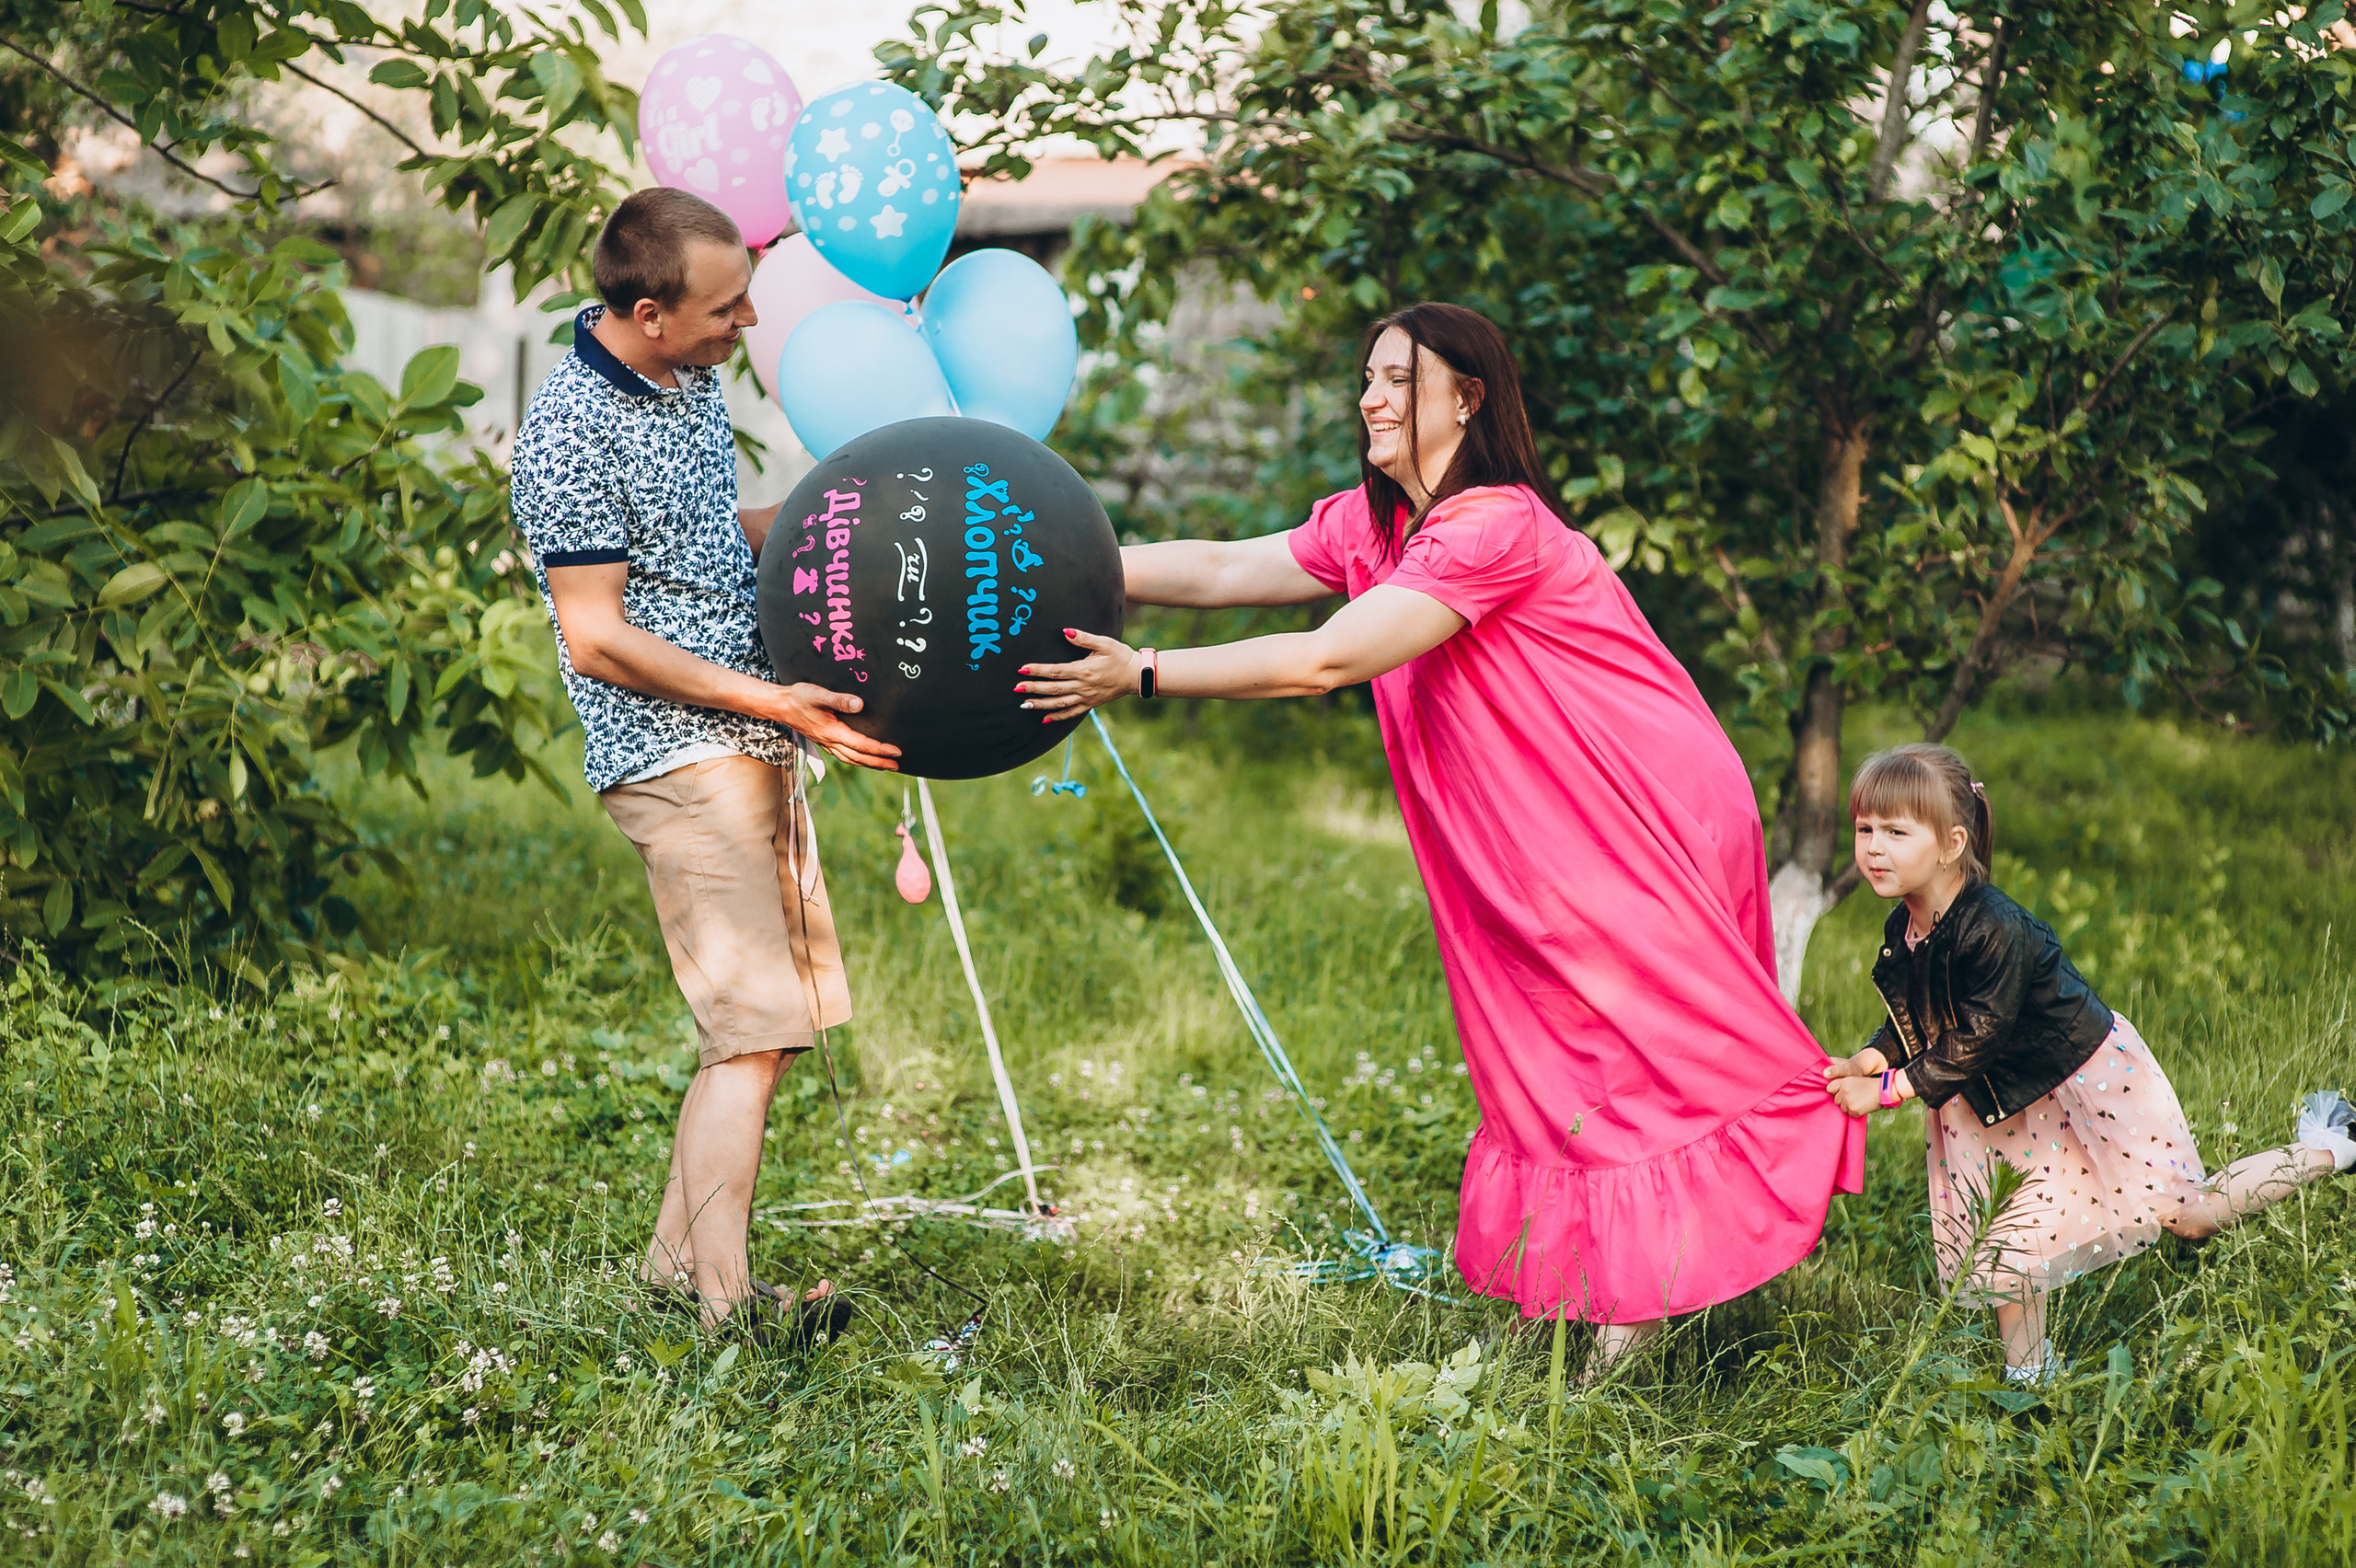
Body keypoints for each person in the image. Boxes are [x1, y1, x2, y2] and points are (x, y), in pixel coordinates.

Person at [1017, 301, 1865, 1365]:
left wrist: (1138, 673)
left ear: (1467, 398)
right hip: (1529, 819)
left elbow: (1330, 658)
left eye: (1397, 381)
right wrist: (1059, 557)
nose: (1371, 399)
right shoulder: (1377, 525)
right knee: (1550, 1033)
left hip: (1632, 803)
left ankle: (1654, 1294)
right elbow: (1229, 570)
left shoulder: (1491, 524)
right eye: (1366, 380)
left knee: (1630, 1033)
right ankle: (1634, 1274)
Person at [509, 187, 900, 1341]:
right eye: (725, 310)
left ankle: (676, 1271)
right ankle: (726, 1317)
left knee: (767, 1034)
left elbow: (705, 536)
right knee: (750, 1033)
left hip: (752, 737)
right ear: (647, 311)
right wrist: (775, 700)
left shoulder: (685, 381)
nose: (745, 325)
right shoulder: (572, 428)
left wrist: (847, 509)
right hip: (676, 755)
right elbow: (598, 633)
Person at [1825, 743, 2354, 1384]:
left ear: (1950, 842)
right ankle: (2031, 1374)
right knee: (2010, 1236)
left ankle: (2334, 1146)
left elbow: (1981, 1029)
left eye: (1894, 832)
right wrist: (1871, 1055)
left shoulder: (1993, 926)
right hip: (2004, 1096)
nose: (1874, 848)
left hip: (2082, 1078)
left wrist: (1889, 1090)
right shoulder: (1905, 924)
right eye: (1864, 830)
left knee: (2188, 1215)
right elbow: (1920, 1011)